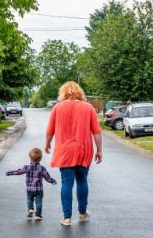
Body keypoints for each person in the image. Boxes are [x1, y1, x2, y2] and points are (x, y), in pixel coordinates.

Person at [44, 82, 102, 226]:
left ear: (63, 93)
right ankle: (82, 213)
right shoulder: (88, 107)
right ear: (79, 92)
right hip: (83, 149)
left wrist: (47, 143)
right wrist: (99, 150)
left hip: (64, 151)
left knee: (67, 183)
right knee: (82, 181)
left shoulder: (57, 107)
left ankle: (67, 218)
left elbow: (50, 130)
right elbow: (96, 131)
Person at [6, 148, 57, 220]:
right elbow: (47, 177)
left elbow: (19, 172)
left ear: (30, 157)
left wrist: (9, 173)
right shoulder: (42, 168)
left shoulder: (27, 167)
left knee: (29, 199)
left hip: (29, 189)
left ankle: (30, 209)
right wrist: (52, 181)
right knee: (39, 202)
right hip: (39, 190)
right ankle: (38, 215)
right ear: (40, 158)